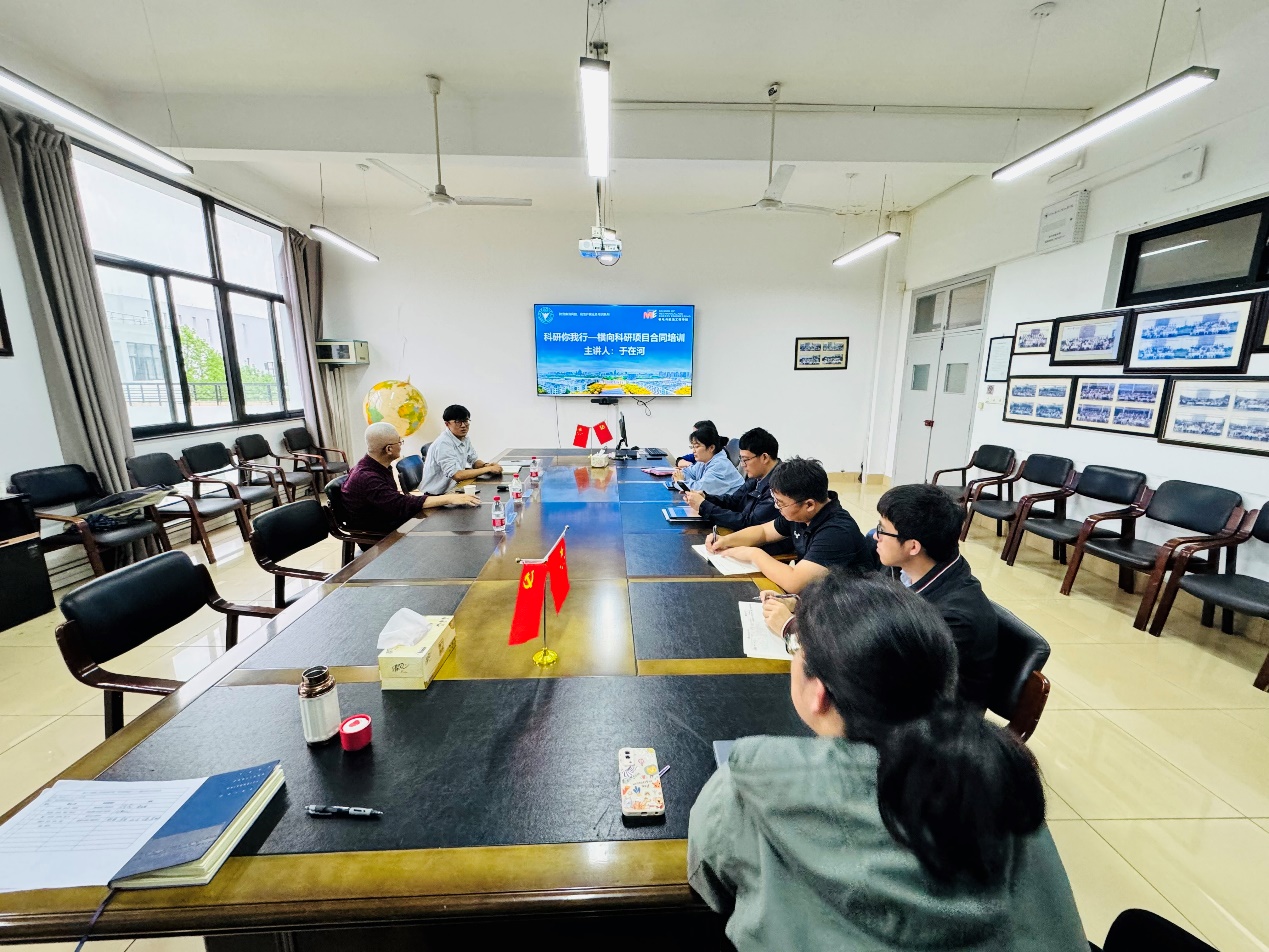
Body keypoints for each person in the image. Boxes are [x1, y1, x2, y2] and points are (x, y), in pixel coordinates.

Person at [689, 572, 1086, 952]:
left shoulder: (750, 784)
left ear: (819, 693)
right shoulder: (1001, 779)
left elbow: (709, 888)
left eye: (795, 647)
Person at [764, 483, 997, 708]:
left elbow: (871, 672)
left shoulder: (952, 618)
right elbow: (861, 606)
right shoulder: (900, 567)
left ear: (913, 547)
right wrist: (803, 604)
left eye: (883, 530)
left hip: (924, 720)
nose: (876, 536)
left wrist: (791, 630)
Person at [706, 457, 876, 593]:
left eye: (780, 503)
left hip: (850, 607)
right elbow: (764, 531)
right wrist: (726, 540)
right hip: (820, 596)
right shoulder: (799, 513)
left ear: (809, 504)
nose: (776, 507)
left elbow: (794, 582)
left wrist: (753, 554)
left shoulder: (837, 532)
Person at [342, 422, 480, 535]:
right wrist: (449, 498)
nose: (401, 445)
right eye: (399, 442)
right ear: (389, 449)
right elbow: (400, 504)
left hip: (391, 520)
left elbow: (394, 501)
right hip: (380, 535)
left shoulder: (375, 466)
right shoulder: (367, 477)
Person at [684, 426, 781, 533]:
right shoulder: (757, 477)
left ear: (764, 458)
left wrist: (704, 506)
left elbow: (748, 524)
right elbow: (733, 501)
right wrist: (706, 498)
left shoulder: (779, 486)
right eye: (741, 459)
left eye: (745, 459)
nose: (742, 465)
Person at [418, 404, 502, 495]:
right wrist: (488, 469)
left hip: (453, 488)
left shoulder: (464, 438)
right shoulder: (443, 444)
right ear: (447, 424)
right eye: (458, 422)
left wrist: (486, 465)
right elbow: (457, 475)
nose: (463, 425)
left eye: (465, 421)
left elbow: (474, 461)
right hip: (435, 494)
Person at [674, 424, 744, 496]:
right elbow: (687, 472)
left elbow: (699, 490)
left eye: (697, 447)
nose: (693, 451)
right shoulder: (704, 461)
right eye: (693, 447)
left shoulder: (720, 465)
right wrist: (682, 480)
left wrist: (681, 482)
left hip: (735, 502)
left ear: (711, 448)